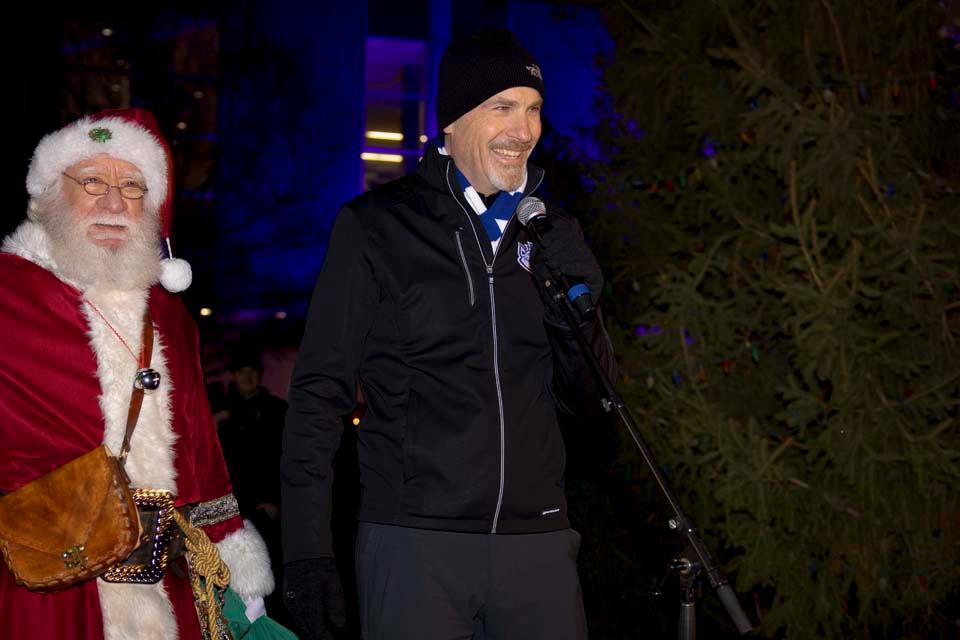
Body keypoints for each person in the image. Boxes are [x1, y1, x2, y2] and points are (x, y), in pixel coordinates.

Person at [282, 29, 617, 640]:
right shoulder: (377, 228)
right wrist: (307, 550)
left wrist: (580, 309)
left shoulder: (550, 233)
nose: (524, 129)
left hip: (537, 544)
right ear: (455, 121)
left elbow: (591, 405)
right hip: (414, 544)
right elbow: (318, 394)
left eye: (534, 107)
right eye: (502, 107)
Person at [0, 108, 274, 639]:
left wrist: (230, 546)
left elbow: (200, 448)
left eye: (131, 186)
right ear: (52, 192)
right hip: (43, 575)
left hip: (160, 573)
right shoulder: (9, 296)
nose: (112, 201)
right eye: (93, 181)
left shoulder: (168, 313)